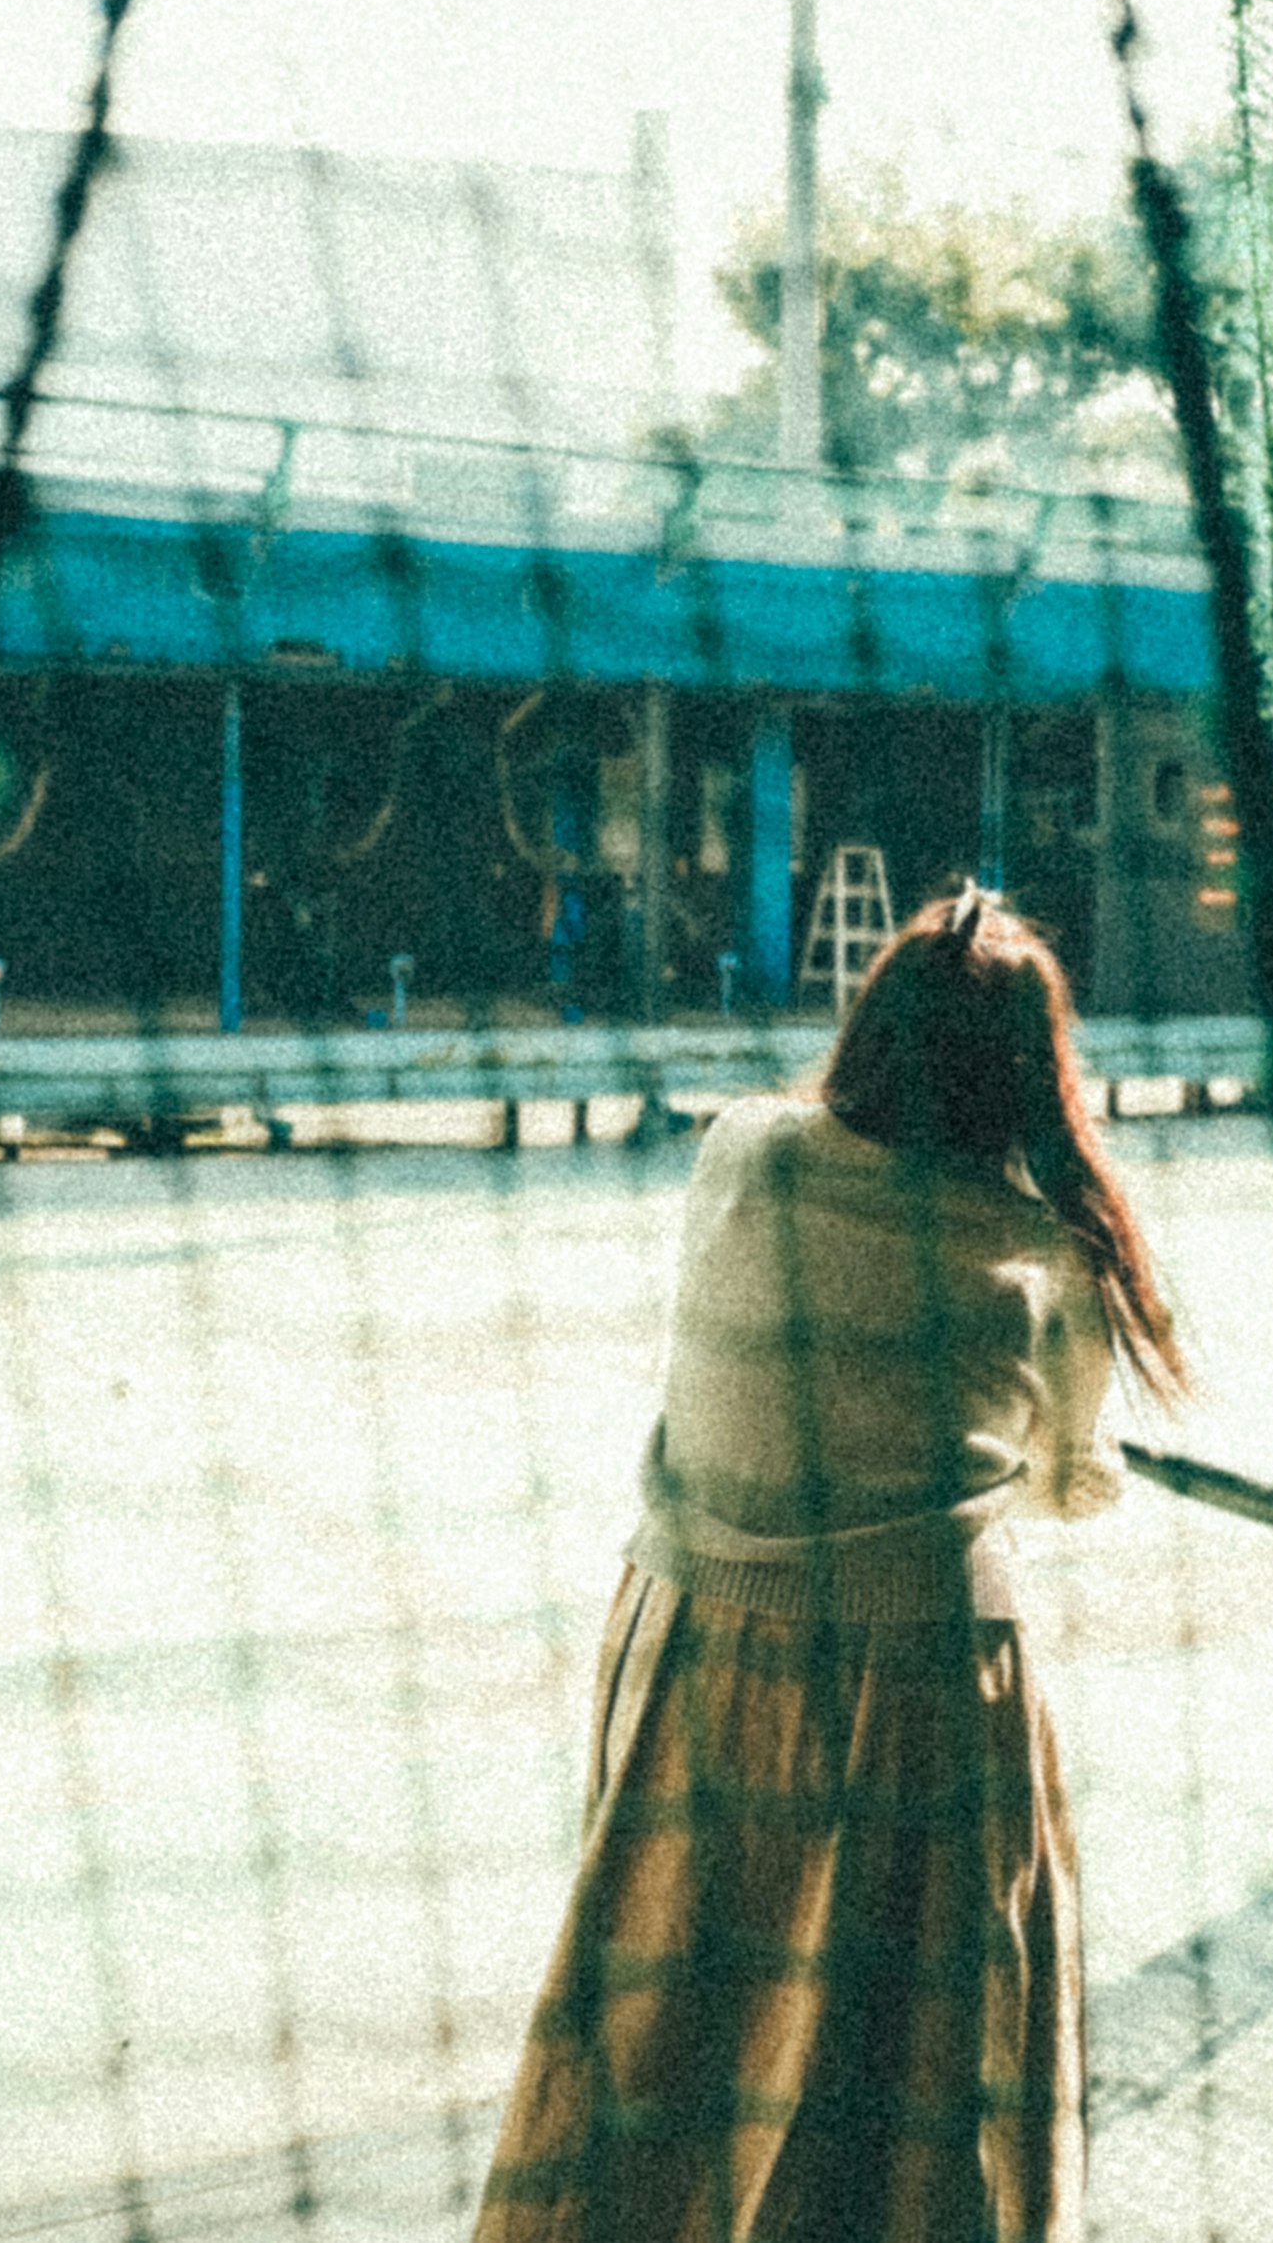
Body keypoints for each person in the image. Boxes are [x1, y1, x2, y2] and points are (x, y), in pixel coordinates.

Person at [477, 883, 1190, 2243]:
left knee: (666, 2032)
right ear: (1030, 1078)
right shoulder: (1047, 1255)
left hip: (693, 1652)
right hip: (921, 1692)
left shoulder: (739, 1152)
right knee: (913, 2075)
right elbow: (1066, 1483)